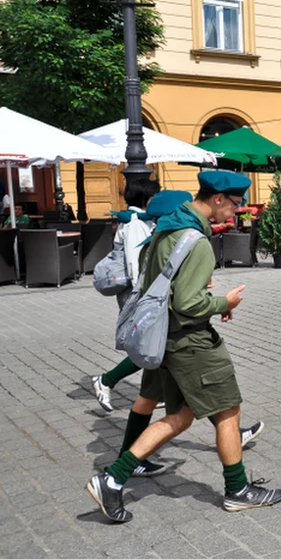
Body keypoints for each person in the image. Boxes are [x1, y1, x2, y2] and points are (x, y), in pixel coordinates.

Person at [86, 171, 281, 523]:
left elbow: (159, 285)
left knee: (179, 416)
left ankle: (112, 479)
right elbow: (189, 304)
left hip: (167, 341)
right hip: (192, 343)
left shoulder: (165, 229)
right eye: (236, 204)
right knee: (227, 411)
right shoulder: (197, 241)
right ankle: (237, 490)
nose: (237, 212)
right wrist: (224, 303)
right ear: (218, 199)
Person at [90, 174, 162, 412]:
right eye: (155, 195)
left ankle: (156, 391)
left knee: (153, 341)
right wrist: (141, 295)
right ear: (146, 198)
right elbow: (135, 262)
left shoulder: (138, 219)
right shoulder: (134, 222)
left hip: (139, 290)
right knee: (147, 343)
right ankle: (107, 380)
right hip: (136, 291)